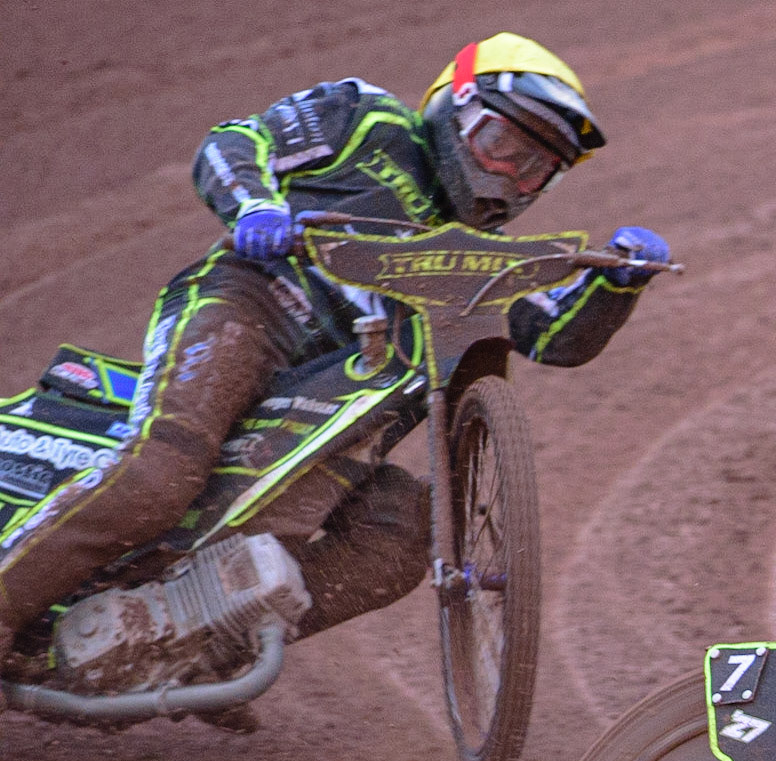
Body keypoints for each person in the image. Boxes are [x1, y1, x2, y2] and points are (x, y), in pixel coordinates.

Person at [0, 33, 669, 685]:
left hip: (339, 399)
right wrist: (255, 206)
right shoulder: (366, 118)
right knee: (162, 473)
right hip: (252, 307)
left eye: (534, 168)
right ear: (453, 108)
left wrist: (617, 285)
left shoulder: (477, 258)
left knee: (397, 538)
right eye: (501, 146)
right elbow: (236, 141)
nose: (510, 175)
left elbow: (553, 338)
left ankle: (199, 651)